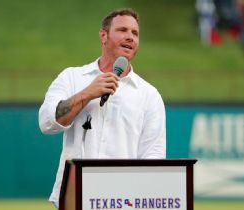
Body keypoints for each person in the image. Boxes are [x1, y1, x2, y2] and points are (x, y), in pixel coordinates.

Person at [38, 8, 166, 209]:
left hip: (124, 201)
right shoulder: (72, 77)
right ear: (103, 35)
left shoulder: (149, 95)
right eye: (123, 30)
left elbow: (153, 155)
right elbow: (47, 123)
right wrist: (87, 93)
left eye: (135, 33)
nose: (130, 37)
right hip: (75, 197)